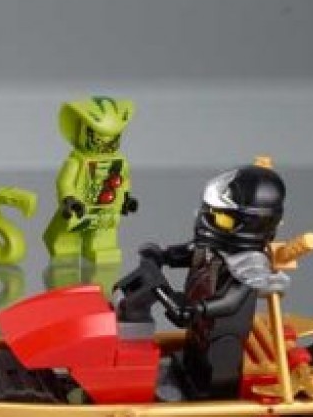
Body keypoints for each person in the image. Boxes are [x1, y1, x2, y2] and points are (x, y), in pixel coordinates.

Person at [113, 163, 289, 400]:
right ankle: (184, 376)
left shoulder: (248, 266)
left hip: (220, 332)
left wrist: (196, 309)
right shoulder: (212, 246)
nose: (207, 222)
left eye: (222, 219)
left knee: (215, 362)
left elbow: (231, 300)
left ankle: (209, 397)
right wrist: (162, 255)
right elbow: (188, 252)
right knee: (194, 350)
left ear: (254, 224)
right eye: (208, 212)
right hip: (199, 325)